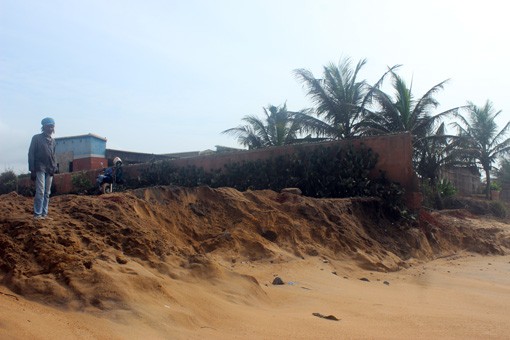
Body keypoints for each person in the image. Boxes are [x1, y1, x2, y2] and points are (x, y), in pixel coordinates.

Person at [28, 117, 58, 220]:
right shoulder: (36, 138)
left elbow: (53, 156)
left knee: (47, 192)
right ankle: (37, 214)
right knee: (40, 191)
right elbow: (31, 154)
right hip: (39, 167)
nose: (51, 128)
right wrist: (32, 170)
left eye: (52, 126)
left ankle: (44, 213)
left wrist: (54, 169)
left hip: (50, 168)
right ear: (43, 127)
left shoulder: (53, 141)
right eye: (48, 126)